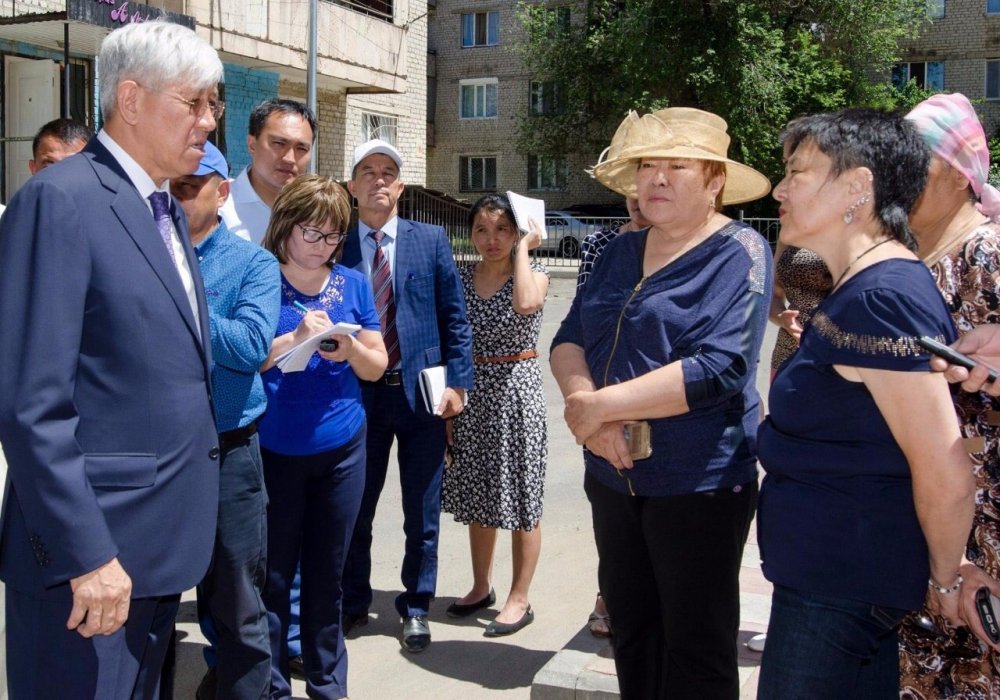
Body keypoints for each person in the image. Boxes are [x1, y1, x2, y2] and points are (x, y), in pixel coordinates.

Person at [0, 20, 222, 699]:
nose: (210, 121)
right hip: (90, 567)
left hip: (154, 555)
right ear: (131, 100)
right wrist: (88, 553)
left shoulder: (160, 208)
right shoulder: (60, 202)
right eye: (196, 103)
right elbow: (30, 405)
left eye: (213, 104)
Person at [754, 108, 978, 699]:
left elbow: (945, 467)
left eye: (797, 172)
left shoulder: (881, 297)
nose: (779, 188)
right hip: (835, 580)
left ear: (858, 186)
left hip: (840, 586)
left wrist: (944, 576)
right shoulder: (862, 287)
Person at [550, 107, 773, 699]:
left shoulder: (740, 252)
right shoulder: (621, 251)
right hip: (612, 476)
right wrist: (585, 405)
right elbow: (570, 335)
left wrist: (600, 407)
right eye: (649, 165)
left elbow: (719, 368)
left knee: (697, 653)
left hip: (696, 484)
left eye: (679, 166)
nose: (659, 179)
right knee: (634, 636)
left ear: (715, 180)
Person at [340, 139, 474, 653]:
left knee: (421, 512)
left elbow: (454, 318)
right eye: (367, 171)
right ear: (352, 186)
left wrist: (459, 385)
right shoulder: (339, 244)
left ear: (401, 186)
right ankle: (352, 601)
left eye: (388, 171)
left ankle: (416, 605)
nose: (378, 180)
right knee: (357, 506)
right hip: (358, 398)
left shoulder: (430, 240)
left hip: (422, 397)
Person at [259, 174, 387, 699]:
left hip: (341, 449)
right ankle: (271, 688)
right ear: (286, 226)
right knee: (271, 578)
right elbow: (244, 354)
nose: (321, 246)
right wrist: (296, 339)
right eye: (311, 233)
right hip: (274, 450)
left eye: (332, 236)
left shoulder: (353, 283)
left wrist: (349, 348)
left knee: (326, 576)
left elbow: (377, 366)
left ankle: (328, 686)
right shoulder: (261, 277)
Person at [896, 93, 1000, 697]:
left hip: (981, 537)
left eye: (920, 161)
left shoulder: (986, 256)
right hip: (925, 528)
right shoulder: (909, 259)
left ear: (962, 176)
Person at [170, 142, 280, 700]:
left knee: (237, 603)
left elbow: (251, 345)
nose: (180, 194)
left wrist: (184, 295)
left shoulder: (253, 263)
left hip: (229, 452)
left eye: (193, 186)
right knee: (153, 606)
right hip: (160, 456)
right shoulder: (143, 251)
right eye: (174, 184)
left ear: (223, 191)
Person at [441, 194, 549, 637]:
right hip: (472, 392)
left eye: (503, 230)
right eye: (482, 230)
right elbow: (450, 339)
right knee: (478, 496)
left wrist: (524, 249)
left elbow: (525, 304)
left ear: (518, 233)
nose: (491, 239)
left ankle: (519, 597)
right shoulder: (461, 279)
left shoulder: (536, 276)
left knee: (523, 498)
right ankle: (480, 585)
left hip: (517, 392)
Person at [220, 99, 316, 245]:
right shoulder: (218, 207)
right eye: (278, 143)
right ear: (252, 144)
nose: (289, 159)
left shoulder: (316, 212)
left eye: (301, 148)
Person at [768, 243, 832, 378]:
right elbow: (774, 294)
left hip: (833, 349)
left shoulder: (848, 228)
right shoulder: (787, 230)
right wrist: (784, 320)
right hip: (787, 348)